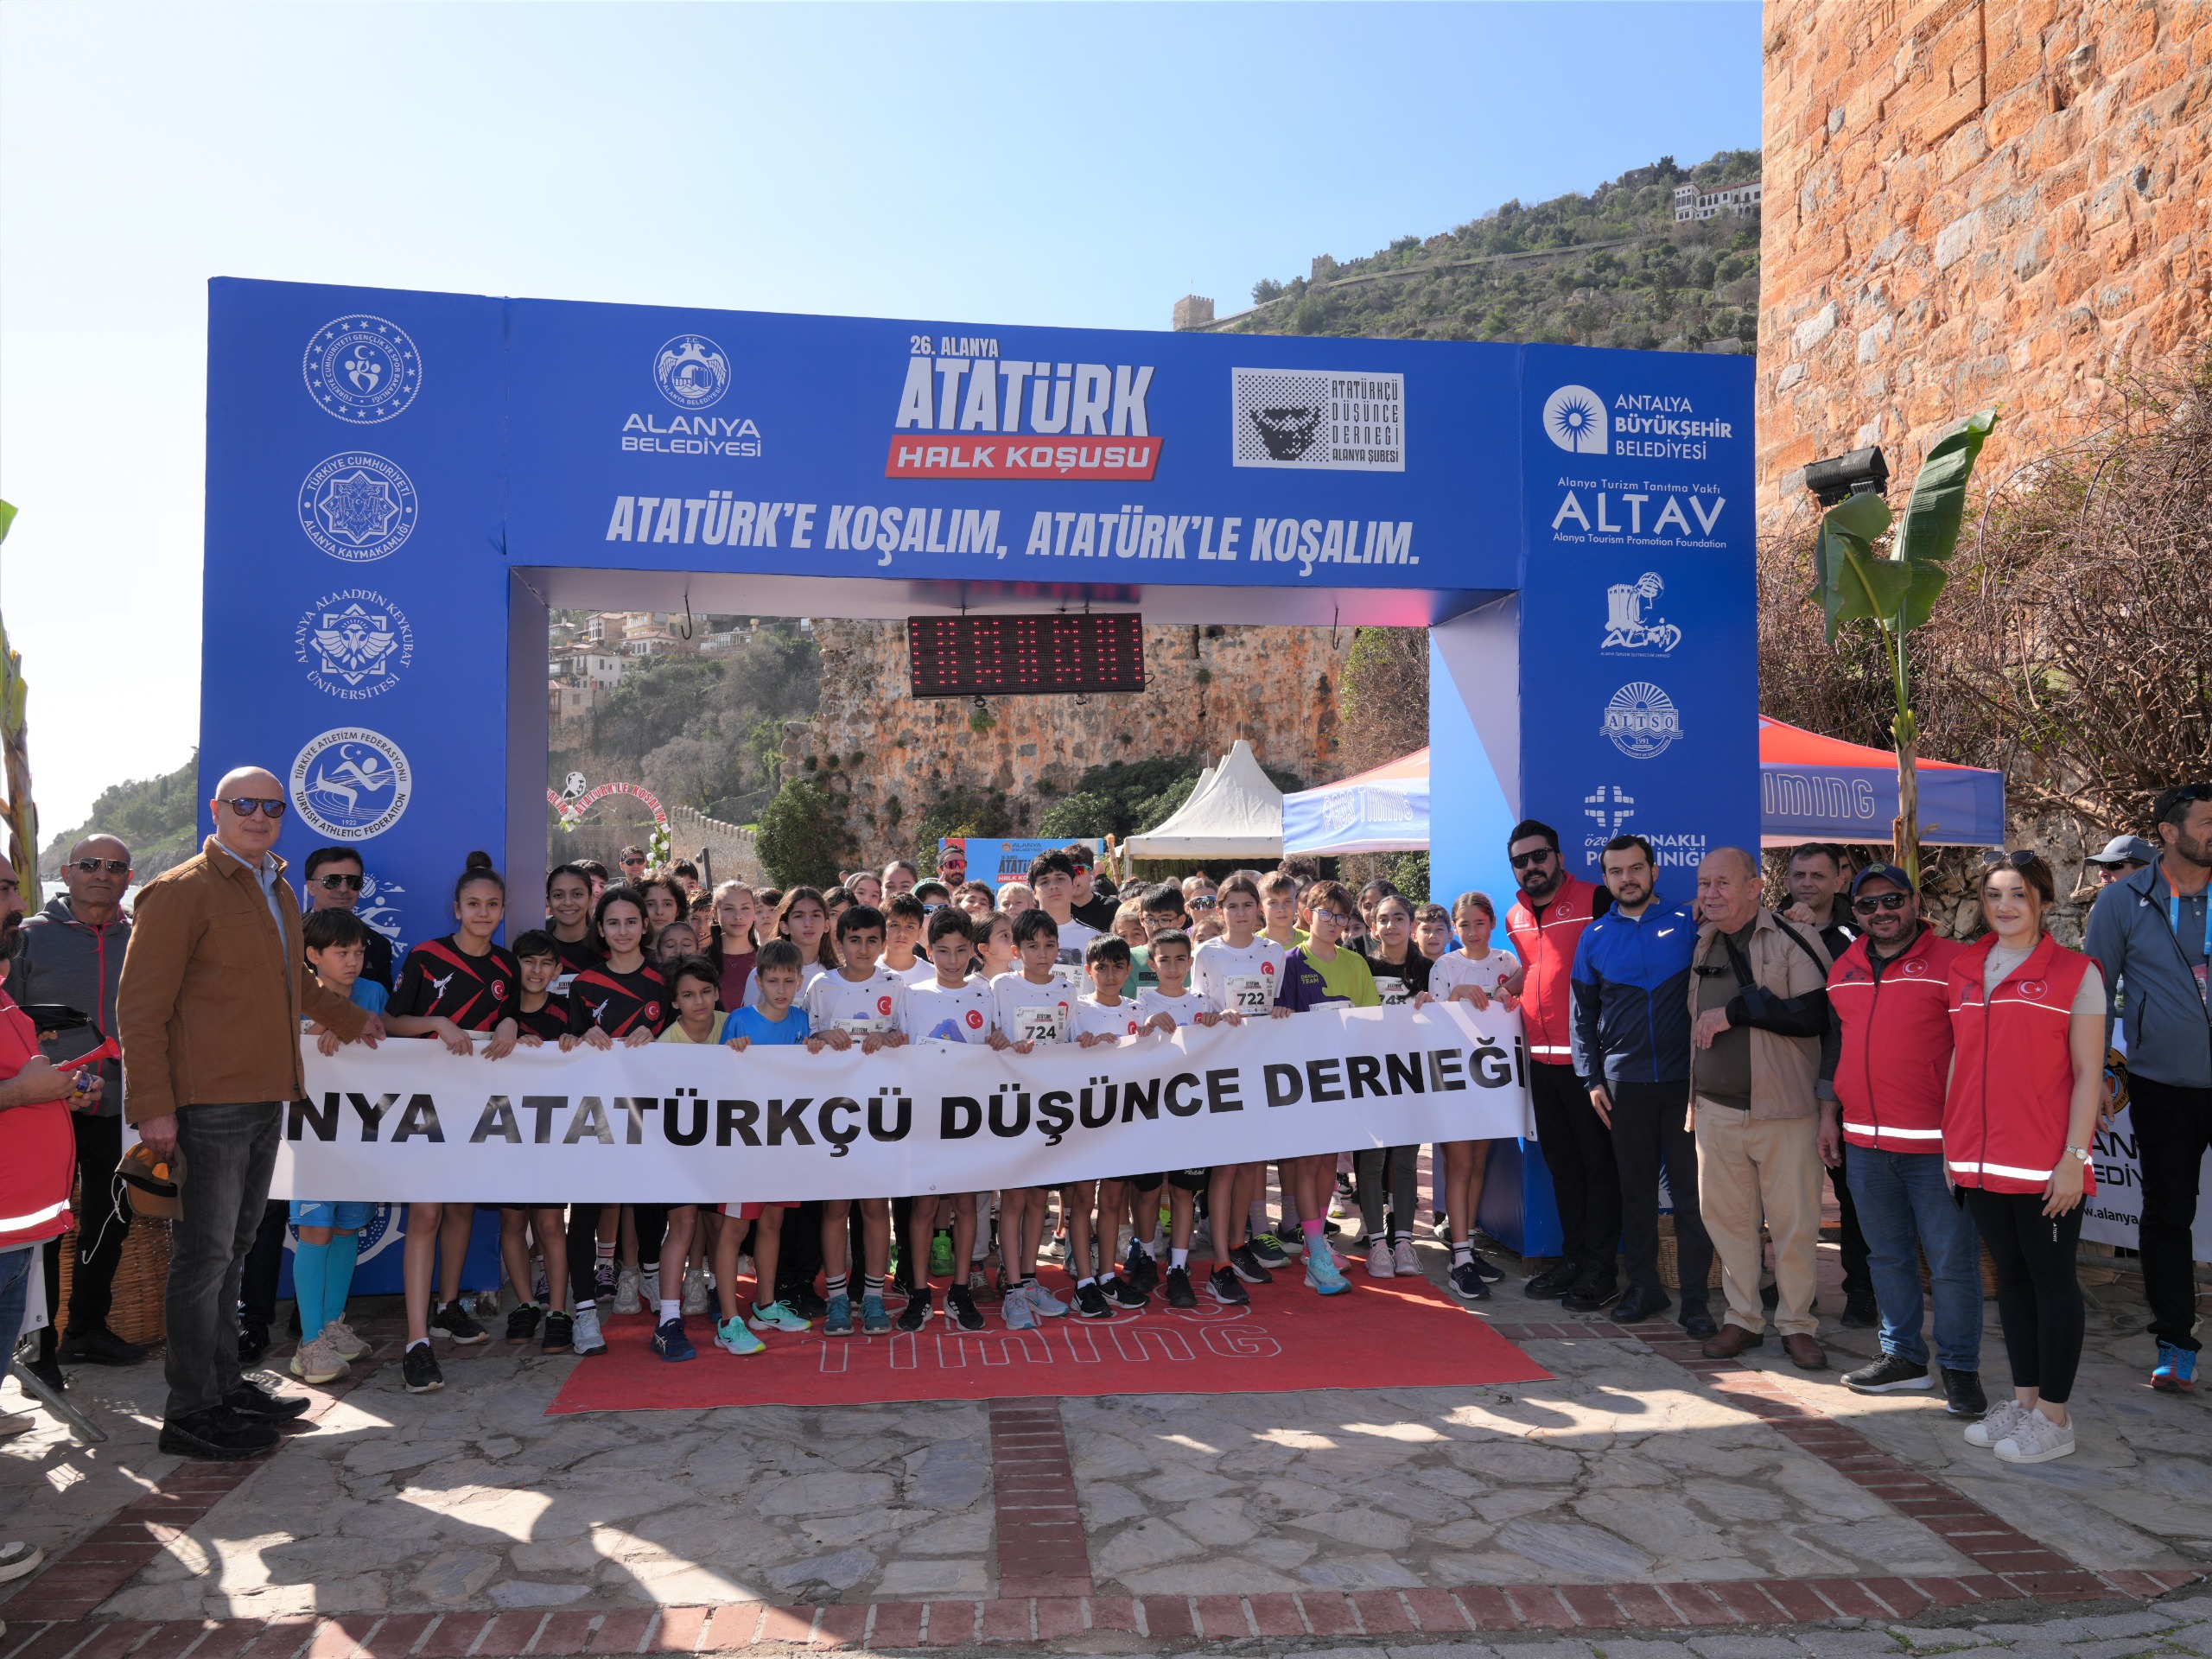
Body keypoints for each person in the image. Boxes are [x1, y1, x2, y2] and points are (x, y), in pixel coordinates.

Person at [119, 766, 378, 1459]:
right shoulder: (179, 893)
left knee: (232, 1251)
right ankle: (190, 1411)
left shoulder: (280, 888)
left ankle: (226, 1387)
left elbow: (292, 981)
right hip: (205, 1106)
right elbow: (140, 1009)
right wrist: (152, 1107)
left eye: (271, 807)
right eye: (244, 805)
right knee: (202, 1258)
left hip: (267, 1097)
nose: (258, 816)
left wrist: (350, 1019)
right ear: (217, 810)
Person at [1948, 850, 2106, 1463]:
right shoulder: (1966, 968)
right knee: (2010, 1280)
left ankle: (2055, 1419)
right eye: (1994, 895)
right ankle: (2025, 1402)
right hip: (1980, 1158)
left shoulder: (2075, 973)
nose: (2005, 907)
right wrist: (1952, 1139)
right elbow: (1962, 1057)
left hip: (2046, 1162)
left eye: (2018, 894)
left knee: (2051, 1281)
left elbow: (2091, 1071)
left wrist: (2075, 1156)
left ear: (2042, 900)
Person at [1819, 866, 1983, 1414]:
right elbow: (1837, 1049)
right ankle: (1903, 1359)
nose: (1880, 912)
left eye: (1891, 900)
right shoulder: (1844, 967)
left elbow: (1978, 1050)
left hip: (1937, 1147)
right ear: (1856, 913)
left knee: (1952, 1264)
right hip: (1864, 1143)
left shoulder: (1956, 963)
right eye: (1867, 906)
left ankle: (1960, 1369)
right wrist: (1829, 1117)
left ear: (1914, 902)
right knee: (1886, 1258)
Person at [2084, 783, 2212, 1394]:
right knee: (2167, 1215)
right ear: (2168, 830)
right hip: (2163, 1086)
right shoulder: (2122, 901)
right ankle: (2174, 1343)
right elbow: (2095, 994)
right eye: (2207, 821)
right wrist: (2100, 1074)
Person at [1686, 847, 1834, 1369]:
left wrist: (1734, 1013)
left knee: (1794, 1225)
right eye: (1704, 884)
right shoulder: (1702, 939)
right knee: (1728, 1224)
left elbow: (1814, 1015)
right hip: (1716, 1111)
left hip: (1785, 1112)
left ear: (1755, 887)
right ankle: (1742, 1319)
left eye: (1723, 883)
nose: (1711, 894)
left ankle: (1797, 1324)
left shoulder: (1795, 935)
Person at [382, 852, 524, 1391]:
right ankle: (416, 1341)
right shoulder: (426, 956)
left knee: (462, 1207)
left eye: (492, 905)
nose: (482, 913)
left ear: (504, 910)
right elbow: (392, 1023)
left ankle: (447, 1308)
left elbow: (512, 1015)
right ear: (456, 908)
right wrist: (435, 1021)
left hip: (478, 1106)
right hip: (425, 1103)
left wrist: (511, 1019)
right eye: (473, 905)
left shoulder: (507, 965)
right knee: (425, 1213)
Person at [1568, 835, 1710, 1326]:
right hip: (1624, 1087)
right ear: (1605, 878)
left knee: (1693, 1199)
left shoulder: (1688, 923)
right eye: (1616, 871)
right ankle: (1645, 1289)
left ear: (1652, 871)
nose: (1626, 878)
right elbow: (1582, 1017)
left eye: (1635, 869)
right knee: (1636, 1196)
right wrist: (1590, 1078)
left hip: (1684, 1085)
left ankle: (1696, 1298)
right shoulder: (1593, 937)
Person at [18, 834, 142, 1370]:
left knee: (111, 1219)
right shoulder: (27, 939)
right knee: (43, 1228)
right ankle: (38, 1348)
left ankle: (88, 1328)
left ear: (128, 879)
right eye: (90, 864)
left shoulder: (144, 938)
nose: (102, 873)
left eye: (115, 866)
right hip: (47, 1107)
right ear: (66, 873)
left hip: (121, 1107)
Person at [0, 849, 81, 1581]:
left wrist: (54, 1090)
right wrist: (24, 1094)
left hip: (17, 1232)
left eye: (10, 886)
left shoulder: (3, 992)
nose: (10, 901)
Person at [1505, 820, 1624, 1307]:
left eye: (1539, 856)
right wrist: (1500, 990)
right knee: (1563, 1167)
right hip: (1539, 1061)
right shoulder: (1513, 916)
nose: (1531, 867)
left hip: (1588, 1064)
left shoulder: (1597, 899)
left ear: (1558, 856)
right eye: (1521, 861)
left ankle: (1602, 1270)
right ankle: (1573, 1259)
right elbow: (1533, 969)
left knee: (1599, 1168)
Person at [557, 885, 668, 1360]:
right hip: (594, 1119)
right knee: (584, 1213)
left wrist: (658, 1035)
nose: (622, 931)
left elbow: (688, 1043)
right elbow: (560, 1044)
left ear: (645, 926)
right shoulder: (583, 985)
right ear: (600, 929)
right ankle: (583, 1312)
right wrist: (576, 1037)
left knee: (650, 1206)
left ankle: (649, 1271)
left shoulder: (664, 985)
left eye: (631, 921)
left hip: (648, 1117)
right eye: (613, 923)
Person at [286, 908, 389, 1385]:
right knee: (315, 1232)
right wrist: (320, 1026)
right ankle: (309, 1344)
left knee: (348, 1228)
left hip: (358, 1136)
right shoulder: (292, 996)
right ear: (312, 956)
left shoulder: (372, 994)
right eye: (341, 952)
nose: (352, 961)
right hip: (308, 1140)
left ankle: (332, 1326)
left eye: (359, 951)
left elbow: (388, 1038)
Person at [892, 908, 999, 1332]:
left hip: (971, 1116)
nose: (952, 960)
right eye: (942, 951)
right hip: (923, 1116)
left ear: (973, 950)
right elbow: (898, 1045)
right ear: (927, 949)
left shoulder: (985, 993)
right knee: (923, 1205)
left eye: (960, 951)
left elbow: (997, 1041)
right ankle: (919, 1293)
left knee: (967, 1203)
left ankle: (959, 1291)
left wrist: (999, 1041)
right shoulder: (911, 993)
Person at [1783, 843, 1875, 1329]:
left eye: (1818, 875)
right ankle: (1792, 1287)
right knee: (1789, 1194)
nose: (1807, 884)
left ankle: (1861, 1288)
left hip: (1845, 1083)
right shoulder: (1770, 926)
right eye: (1799, 875)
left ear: (1840, 880)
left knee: (1853, 1193)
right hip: (1786, 1081)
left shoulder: (1858, 935)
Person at [801, 906, 904, 1337]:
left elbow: (909, 1038)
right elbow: (802, 1040)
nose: (863, 948)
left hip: (880, 1114)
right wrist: (820, 1037)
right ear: (838, 942)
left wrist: (890, 1037)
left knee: (876, 1207)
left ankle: (875, 1298)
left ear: (883, 943)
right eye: (854, 940)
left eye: (872, 940)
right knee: (835, 1207)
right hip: (833, 1114)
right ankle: (839, 1298)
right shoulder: (821, 986)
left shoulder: (896, 986)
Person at [715, 941, 817, 1351]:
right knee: (736, 1227)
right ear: (758, 981)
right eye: (772, 980)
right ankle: (727, 1320)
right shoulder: (738, 1021)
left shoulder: (801, 1021)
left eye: (788, 981)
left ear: (799, 981)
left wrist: (817, 1046)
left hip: (785, 1141)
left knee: (773, 1222)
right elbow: (716, 1078)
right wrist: (731, 1053)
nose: (780, 988)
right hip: (744, 1143)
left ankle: (766, 1305)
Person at [1418, 890, 1520, 1300]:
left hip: (1493, 1083)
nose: (1472, 931)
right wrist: (1458, 994)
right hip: (1455, 1082)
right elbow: (1433, 1020)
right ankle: (1460, 1260)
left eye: (1479, 923)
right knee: (1459, 1165)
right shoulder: (1445, 964)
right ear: (1455, 929)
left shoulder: (1508, 963)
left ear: (1492, 924)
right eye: (1464, 925)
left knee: (1478, 1164)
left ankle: (1468, 1248)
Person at [1274, 880, 1374, 1296]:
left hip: (1342, 1081)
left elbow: (1372, 1023)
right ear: (1306, 912)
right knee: (1307, 1163)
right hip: (1301, 1083)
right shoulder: (1289, 962)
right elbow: (1276, 1020)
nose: (1334, 922)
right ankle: (1314, 1250)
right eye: (1325, 913)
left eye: (1341, 916)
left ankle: (1316, 1243)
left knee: (1327, 1164)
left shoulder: (1356, 964)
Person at [301, 847, 396, 992]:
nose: (343, 889)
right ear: (311, 887)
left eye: (353, 881)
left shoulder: (378, 945)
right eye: (332, 881)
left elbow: (381, 1009)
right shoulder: (287, 936)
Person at [542, 863, 601, 986]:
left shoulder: (606, 946)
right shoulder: (535, 945)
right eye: (558, 895)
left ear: (590, 899)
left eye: (577, 894)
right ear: (548, 900)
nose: (568, 902)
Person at [707, 880, 759, 1012]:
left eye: (745, 908)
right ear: (714, 914)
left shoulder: (768, 960)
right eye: (729, 909)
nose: (738, 916)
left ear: (755, 912)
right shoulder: (700, 960)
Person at [1068, 845, 1117, 932]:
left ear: (1092, 874)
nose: (1072, 877)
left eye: (1078, 871)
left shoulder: (1111, 908)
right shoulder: (1058, 910)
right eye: (1067, 872)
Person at [2083, 833, 2156, 887]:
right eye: (2101, 865)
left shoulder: (2164, 905)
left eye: (2112, 865)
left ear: (2144, 872)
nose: (2101, 874)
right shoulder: (2105, 905)